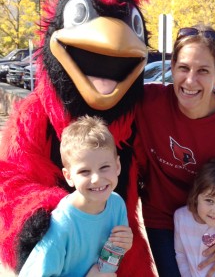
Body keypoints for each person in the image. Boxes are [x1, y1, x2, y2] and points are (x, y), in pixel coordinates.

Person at [135, 23, 215, 276]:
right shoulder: (148, 103)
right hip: (162, 217)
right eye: (183, 68)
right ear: (171, 68)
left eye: (203, 70)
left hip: (212, 223)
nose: (190, 80)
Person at [19, 115, 133, 277]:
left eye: (104, 167)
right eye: (84, 171)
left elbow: (111, 257)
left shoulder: (117, 204)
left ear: (117, 166)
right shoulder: (61, 225)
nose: (96, 179)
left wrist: (124, 244)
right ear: (68, 176)